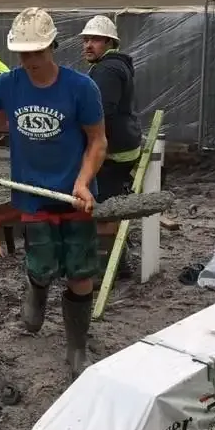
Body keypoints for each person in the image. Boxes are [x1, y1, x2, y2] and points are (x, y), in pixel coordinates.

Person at [0, 7, 107, 379]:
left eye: (36, 52)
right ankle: (37, 287)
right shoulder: (8, 85)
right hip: (32, 192)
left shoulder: (81, 88)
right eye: (23, 53)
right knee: (42, 262)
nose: (29, 60)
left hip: (75, 194)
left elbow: (97, 141)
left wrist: (82, 181)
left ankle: (76, 346)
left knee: (79, 270)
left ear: (53, 47)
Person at [80, 15, 142, 273]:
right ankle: (120, 258)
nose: (87, 45)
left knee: (103, 206)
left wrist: (92, 150)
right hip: (123, 144)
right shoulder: (115, 65)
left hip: (113, 150)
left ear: (110, 42)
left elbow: (101, 113)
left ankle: (105, 268)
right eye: (85, 40)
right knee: (114, 199)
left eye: (94, 39)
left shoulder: (107, 70)